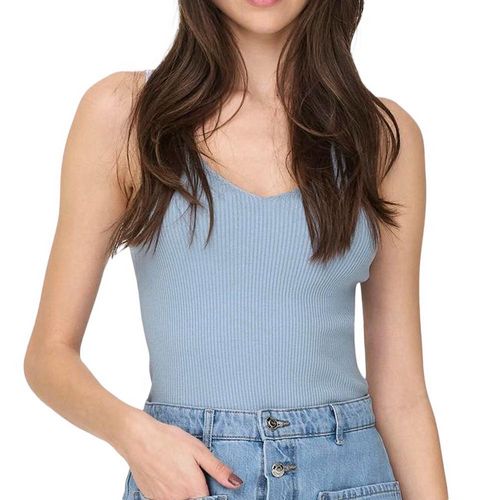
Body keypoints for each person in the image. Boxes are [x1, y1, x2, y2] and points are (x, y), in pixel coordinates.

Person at [24, 1, 448, 499]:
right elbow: (48, 356)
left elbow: (402, 395)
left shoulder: (381, 136)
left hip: (350, 475)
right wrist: (137, 436)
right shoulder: (126, 113)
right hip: (190, 475)